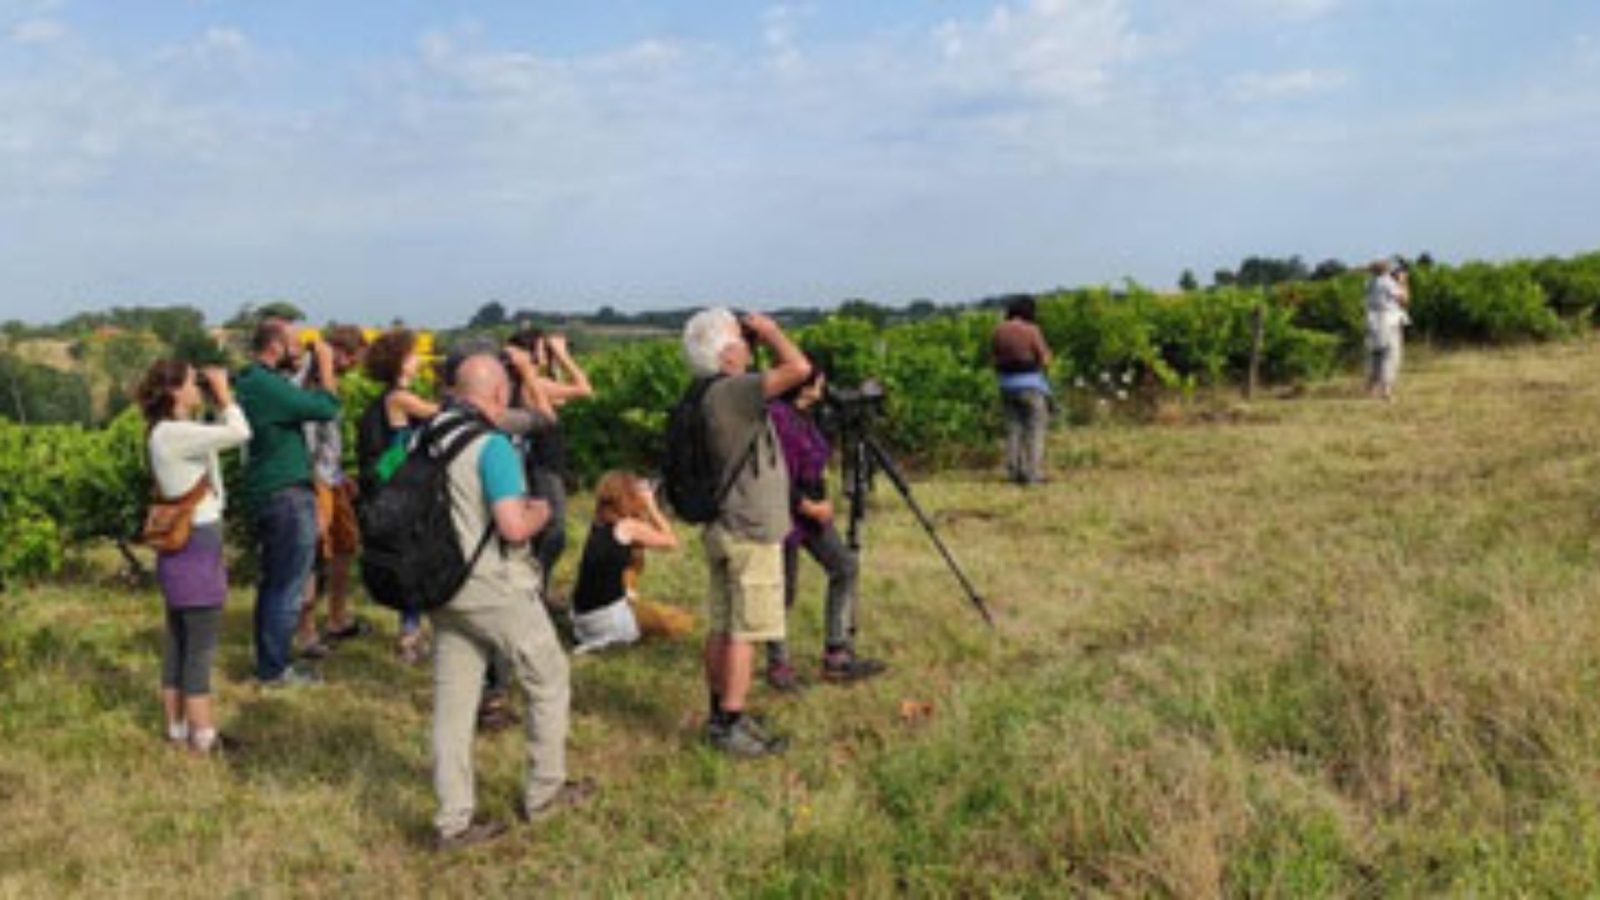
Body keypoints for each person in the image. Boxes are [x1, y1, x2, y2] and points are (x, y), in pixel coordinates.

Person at [426, 353, 592, 851]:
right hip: (492, 586)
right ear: (499, 395)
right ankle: (545, 793)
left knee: (453, 705)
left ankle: (452, 821)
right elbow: (514, 526)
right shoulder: (491, 446)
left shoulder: (427, 434)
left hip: (440, 586)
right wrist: (539, 511)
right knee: (548, 677)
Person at [680, 308, 811, 757]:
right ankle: (731, 725)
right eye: (741, 340)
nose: (748, 347)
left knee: (721, 623)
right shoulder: (733, 392)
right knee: (745, 628)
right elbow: (799, 370)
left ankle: (720, 713)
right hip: (749, 527)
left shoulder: (701, 393)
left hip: (722, 523)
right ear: (725, 353)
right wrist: (773, 330)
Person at [137, 360, 252, 753]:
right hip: (197, 541)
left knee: (179, 641)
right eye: (192, 383)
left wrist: (210, 400)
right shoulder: (177, 433)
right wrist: (224, 396)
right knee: (200, 643)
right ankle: (204, 736)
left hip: (179, 546)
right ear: (174, 392)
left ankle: (177, 729)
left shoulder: (163, 432)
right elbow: (240, 432)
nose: (198, 388)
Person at [235, 317, 341, 688]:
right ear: (275, 345)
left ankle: (269, 663)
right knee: (287, 587)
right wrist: (325, 364)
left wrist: (303, 365)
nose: (301, 348)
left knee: (273, 584)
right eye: (295, 342)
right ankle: (275, 671)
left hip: (268, 491)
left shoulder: (251, 381)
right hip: (286, 495)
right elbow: (327, 406)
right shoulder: (267, 385)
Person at [764, 368, 886, 691]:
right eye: (819, 380)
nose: (825, 387)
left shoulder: (806, 416)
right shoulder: (778, 419)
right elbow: (776, 477)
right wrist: (809, 506)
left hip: (812, 514)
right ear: (805, 385)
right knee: (782, 593)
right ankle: (778, 665)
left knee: (844, 565)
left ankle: (837, 651)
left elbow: (818, 457)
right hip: (786, 514)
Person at [359, 328, 442, 664]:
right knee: (412, 558)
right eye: (413, 355)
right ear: (399, 362)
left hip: (395, 486)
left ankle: (412, 633)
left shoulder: (392, 397)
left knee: (411, 558)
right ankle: (410, 638)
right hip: (394, 489)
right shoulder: (398, 398)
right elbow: (437, 413)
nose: (419, 359)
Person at [505, 328, 594, 604]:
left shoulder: (525, 383)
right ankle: (535, 589)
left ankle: (536, 588)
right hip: (543, 466)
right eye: (544, 348)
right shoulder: (532, 384)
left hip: (540, 465)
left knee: (543, 530)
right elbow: (584, 389)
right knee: (553, 531)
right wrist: (564, 356)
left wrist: (552, 362)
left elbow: (566, 395)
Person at [296, 324, 369, 658]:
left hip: (331, 474)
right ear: (338, 352)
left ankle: (337, 618)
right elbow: (321, 414)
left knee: (344, 547)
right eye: (351, 359)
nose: (352, 367)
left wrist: (340, 472)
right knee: (313, 555)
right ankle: (306, 631)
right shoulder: (302, 380)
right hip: (311, 476)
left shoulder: (329, 379)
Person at [569, 470, 694, 653]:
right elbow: (671, 542)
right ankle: (625, 624)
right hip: (609, 621)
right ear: (629, 497)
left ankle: (629, 602)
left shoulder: (599, 523)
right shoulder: (627, 527)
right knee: (681, 621)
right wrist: (651, 506)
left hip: (582, 620)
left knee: (634, 556)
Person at [991, 296, 1054, 485]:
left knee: (1013, 428)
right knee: (1035, 429)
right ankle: (1033, 473)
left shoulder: (999, 331)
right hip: (1030, 385)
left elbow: (994, 359)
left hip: (1006, 385)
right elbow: (1045, 359)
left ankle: (1014, 471)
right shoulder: (1031, 330)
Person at [1365, 260, 1411, 402]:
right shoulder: (1388, 282)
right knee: (1391, 355)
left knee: (1375, 356)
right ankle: (1386, 391)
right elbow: (1404, 300)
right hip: (1388, 321)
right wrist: (1403, 282)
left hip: (1373, 321)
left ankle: (1370, 389)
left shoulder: (1370, 282)